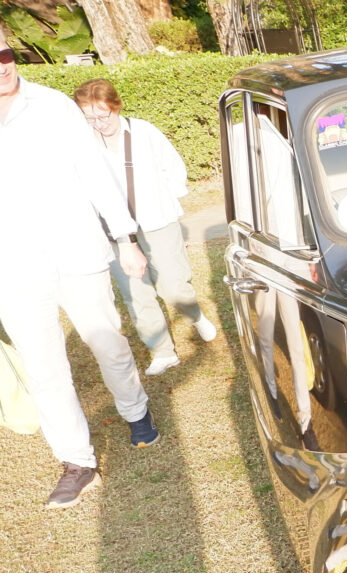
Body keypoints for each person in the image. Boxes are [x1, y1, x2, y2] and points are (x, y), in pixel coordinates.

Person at [0, 37, 160, 509]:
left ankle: (135, 410)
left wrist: (126, 238)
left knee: (108, 343)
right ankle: (76, 461)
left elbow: (94, 173)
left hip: (76, 251)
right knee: (43, 367)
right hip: (13, 266)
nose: (3, 66)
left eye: (5, 54)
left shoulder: (52, 106)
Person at [73, 78, 216, 376]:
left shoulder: (143, 132)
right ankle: (162, 351)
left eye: (103, 115)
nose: (99, 124)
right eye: (90, 118)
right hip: (114, 232)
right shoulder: (83, 143)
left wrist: (167, 202)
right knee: (136, 292)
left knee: (173, 285)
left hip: (157, 221)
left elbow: (173, 167)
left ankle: (194, 314)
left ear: (115, 106)